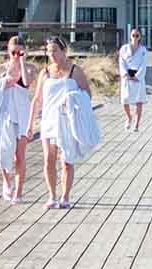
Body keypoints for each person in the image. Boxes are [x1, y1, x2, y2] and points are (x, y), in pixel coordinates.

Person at [25, 36, 99, 210]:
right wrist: (30, 126)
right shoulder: (45, 73)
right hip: (49, 121)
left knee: (66, 161)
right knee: (48, 160)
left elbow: (87, 95)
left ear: (64, 51)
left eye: (55, 51)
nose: (52, 55)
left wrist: (73, 98)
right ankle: (52, 196)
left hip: (67, 121)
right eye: (49, 51)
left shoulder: (75, 71)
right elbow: (37, 99)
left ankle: (65, 196)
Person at [0, 34, 34, 203]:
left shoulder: (30, 67)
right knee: (4, 152)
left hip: (23, 115)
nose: (16, 55)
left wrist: (22, 63)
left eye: (20, 52)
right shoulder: (0, 69)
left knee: (20, 156)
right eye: (13, 52)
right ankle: (6, 181)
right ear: (8, 51)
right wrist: (5, 80)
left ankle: (18, 193)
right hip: (5, 114)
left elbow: (27, 83)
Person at [116, 27, 150, 131]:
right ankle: (129, 117)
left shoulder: (143, 50)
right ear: (130, 36)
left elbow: (144, 64)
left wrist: (137, 76)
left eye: (137, 35)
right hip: (127, 77)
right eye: (133, 35)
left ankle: (136, 124)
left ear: (139, 37)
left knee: (139, 101)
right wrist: (125, 74)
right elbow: (121, 62)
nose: (135, 37)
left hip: (138, 78)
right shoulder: (124, 48)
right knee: (125, 100)